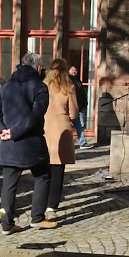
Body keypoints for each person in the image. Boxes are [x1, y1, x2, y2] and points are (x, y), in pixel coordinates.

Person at [0, 52, 56, 234]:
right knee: (43, 176)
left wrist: (2, 131)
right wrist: (13, 132)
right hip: (31, 143)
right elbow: (34, 116)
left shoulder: (6, 87)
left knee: (9, 184)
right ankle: (37, 218)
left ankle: (6, 224)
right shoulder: (40, 86)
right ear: (38, 67)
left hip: (9, 144)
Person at [43, 59, 78, 214]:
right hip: (61, 128)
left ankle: (42, 200)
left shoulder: (44, 85)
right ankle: (52, 203)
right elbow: (74, 112)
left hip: (44, 127)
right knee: (58, 168)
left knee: (44, 167)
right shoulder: (69, 87)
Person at [69, 65, 92, 149]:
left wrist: (85, 103)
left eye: (75, 70)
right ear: (69, 71)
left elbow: (81, 93)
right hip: (73, 106)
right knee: (69, 125)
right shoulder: (68, 81)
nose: (74, 71)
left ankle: (82, 143)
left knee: (80, 125)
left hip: (81, 106)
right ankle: (69, 144)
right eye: (72, 70)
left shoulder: (78, 80)